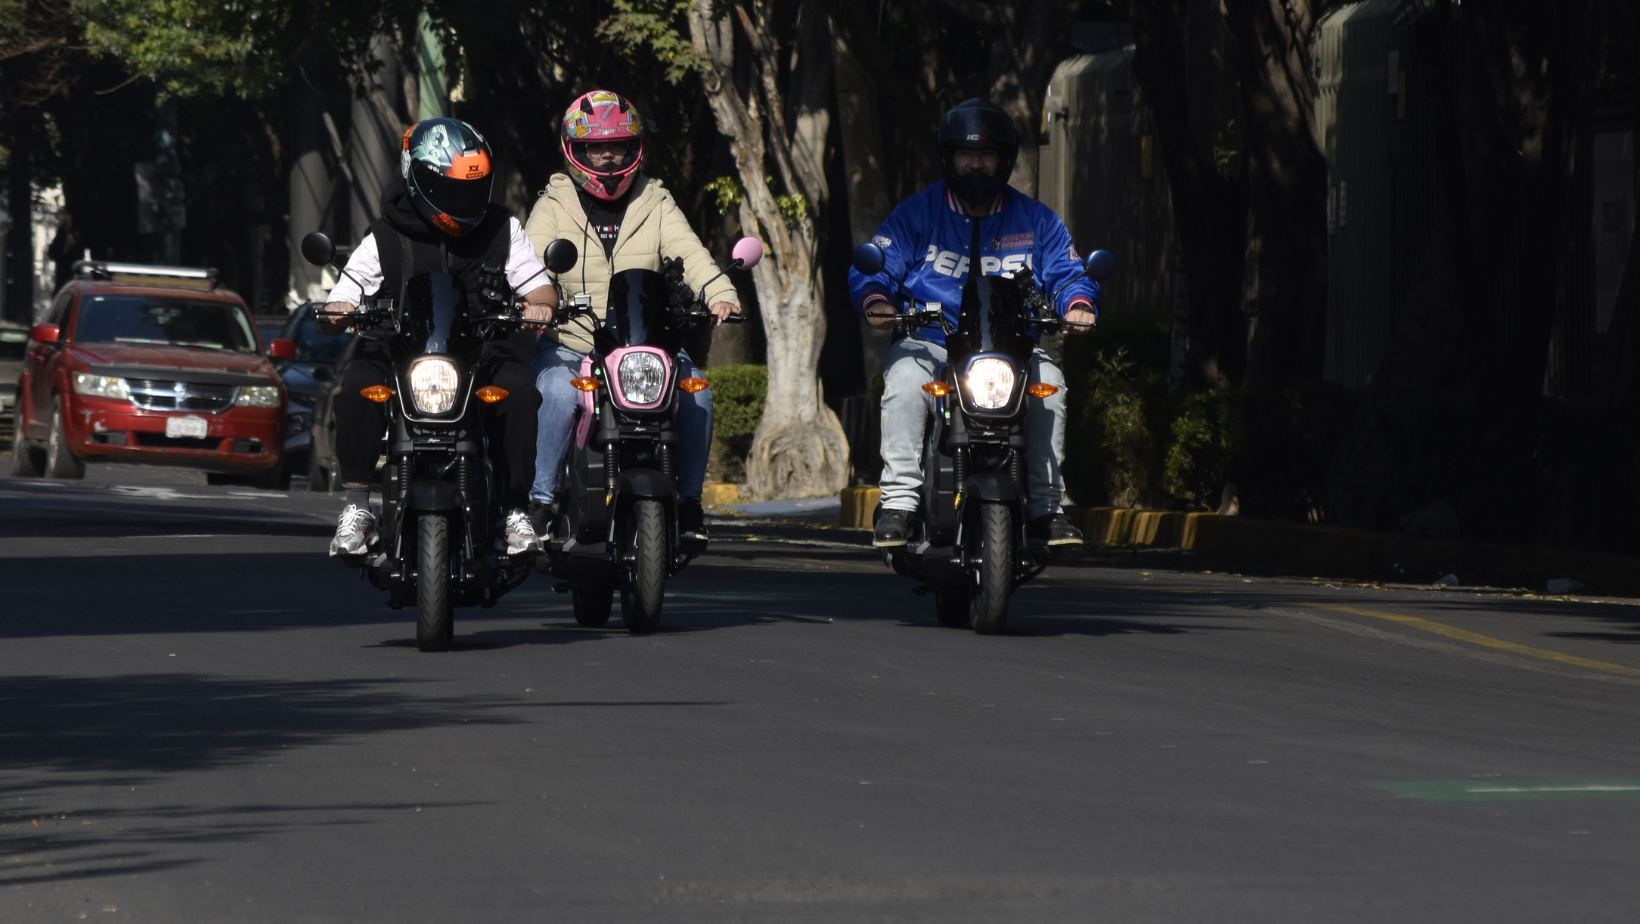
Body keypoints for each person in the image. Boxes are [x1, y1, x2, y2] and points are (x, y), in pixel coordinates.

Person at [848, 98, 1098, 549]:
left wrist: (1078, 303)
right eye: (966, 154)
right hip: (932, 342)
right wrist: (876, 298)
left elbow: (1069, 272)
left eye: (986, 155)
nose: (976, 166)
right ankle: (900, 503)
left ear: (1005, 159)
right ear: (948, 157)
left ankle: (1047, 508)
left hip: (1012, 348)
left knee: (1053, 386)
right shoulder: (916, 213)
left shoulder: (1037, 220)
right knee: (902, 380)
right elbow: (877, 263)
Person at [321, 117, 557, 558]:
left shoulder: (503, 228)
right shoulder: (384, 234)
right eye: (449, 190)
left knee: (520, 390)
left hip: (481, 350)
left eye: (472, 189)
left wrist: (539, 305)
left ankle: (513, 510)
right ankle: (357, 506)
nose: (462, 201)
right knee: (355, 385)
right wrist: (339, 310)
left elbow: (540, 288)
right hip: (398, 351)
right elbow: (345, 293)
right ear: (416, 178)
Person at [524, 90, 739, 542]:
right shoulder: (552, 205)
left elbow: (690, 252)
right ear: (575, 150)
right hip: (574, 345)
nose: (607, 157)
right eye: (594, 148)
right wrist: (534, 302)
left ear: (634, 147)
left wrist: (720, 293)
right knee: (557, 394)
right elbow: (531, 268)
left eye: (618, 145)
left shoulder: (655, 200)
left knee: (697, 394)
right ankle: (541, 502)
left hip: (646, 346)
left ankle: (690, 503)